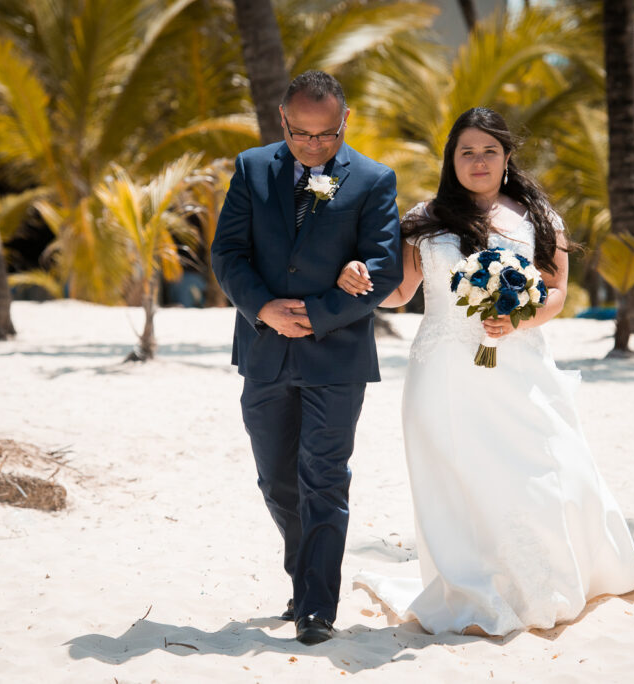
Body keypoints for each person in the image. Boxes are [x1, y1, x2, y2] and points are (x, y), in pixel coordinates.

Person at [339, 107, 634, 636]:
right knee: (456, 480)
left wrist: (521, 315)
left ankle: (543, 580)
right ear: (451, 160)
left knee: (536, 471)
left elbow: (555, 292)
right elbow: (400, 293)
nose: (478, 161)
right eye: (467, 152)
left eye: (489, 151)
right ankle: (469, 586)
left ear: (507, 158)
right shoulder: (425, 219)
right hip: (440, 372)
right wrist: (358, 277)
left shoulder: (537, 217)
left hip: (517, 365)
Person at [211, 71, 402, 645]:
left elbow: (385, 268)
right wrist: (263, 308)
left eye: (324, 135)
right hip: (264, 348)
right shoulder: (249, 169)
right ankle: (303, 572)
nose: (313, 146)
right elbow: (228, 253)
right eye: (300, 134)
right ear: (282, 119)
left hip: (336, 356)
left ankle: (317, 606)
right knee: (276, 480)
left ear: (344, 121)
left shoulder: (373, 179)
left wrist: (319, 312)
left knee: (323, 477)